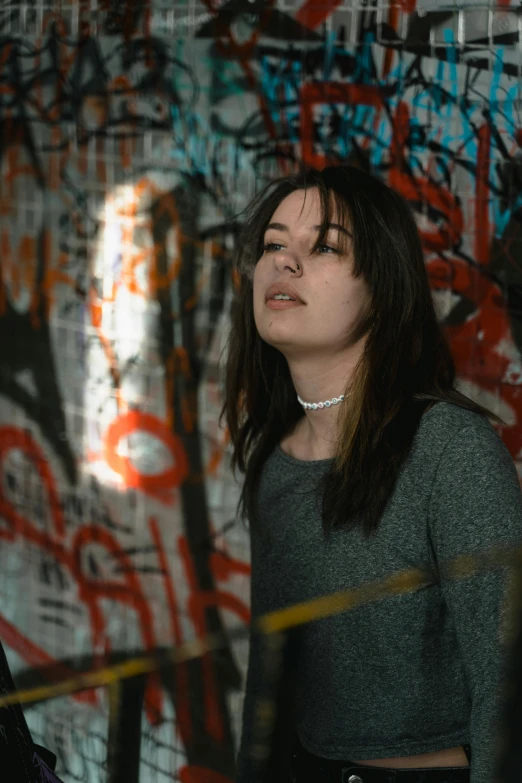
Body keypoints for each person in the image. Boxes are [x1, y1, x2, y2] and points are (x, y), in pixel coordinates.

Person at [218, 165, 522, 783]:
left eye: (324, 247)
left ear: (382, 287)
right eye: (274, 245)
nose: (285, 263)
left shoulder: (451, 452)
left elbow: (508, 692)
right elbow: (269, 689)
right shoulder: (277, 462)